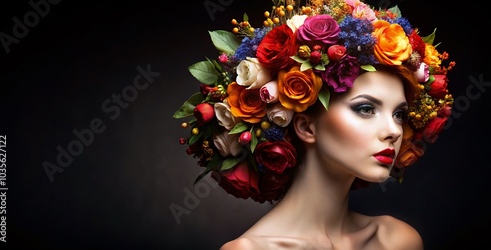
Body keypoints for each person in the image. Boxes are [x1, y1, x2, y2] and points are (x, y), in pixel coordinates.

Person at [173, 0, 455, 249]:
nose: (394, 131)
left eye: (399, 114)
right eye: (366, 108)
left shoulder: (396, 241)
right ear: (306, 127)